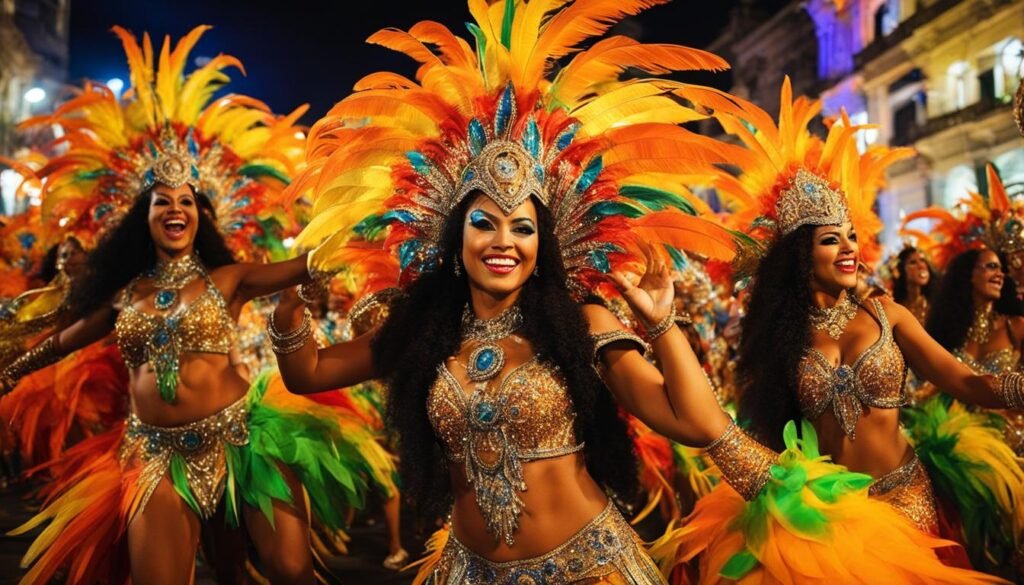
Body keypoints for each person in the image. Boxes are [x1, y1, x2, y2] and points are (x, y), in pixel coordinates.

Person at [267, 2, 770, 582]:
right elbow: (307, 373)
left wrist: (661, 325)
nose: (503, 241)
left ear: (544, 246)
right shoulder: (424, 331)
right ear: (456, 236)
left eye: (523, 227)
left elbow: (697, 424)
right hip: (467, 569)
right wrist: (289, 313)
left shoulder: (583, 324)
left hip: (588, 569)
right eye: (485, 223)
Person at [1, 26, 371, 585]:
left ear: (199, 217)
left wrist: (356, 215)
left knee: (290, 570)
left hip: (243, 438)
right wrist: (12, 369)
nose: (176, 209)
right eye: (162, 203)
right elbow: (64, 340)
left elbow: (307, 263)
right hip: (153, 454)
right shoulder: (125, 294)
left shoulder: (231, 277)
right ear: (144, 219)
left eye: (186, 202)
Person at [654, 79, 1011, 584]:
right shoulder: (784, 335)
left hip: (905, 496)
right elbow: (769, 423)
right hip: (832, 510)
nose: (849, 249)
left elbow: (964, 380)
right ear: (801, 255)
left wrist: (1016, 387)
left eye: (851, 238)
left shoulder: (888, 315)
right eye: (830, 240)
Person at [892, 246, 936, 325]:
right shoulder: (895, 307)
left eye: (923, 260)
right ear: (902, 271)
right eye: (913, 262)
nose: (921, 266)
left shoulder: (937, 302)